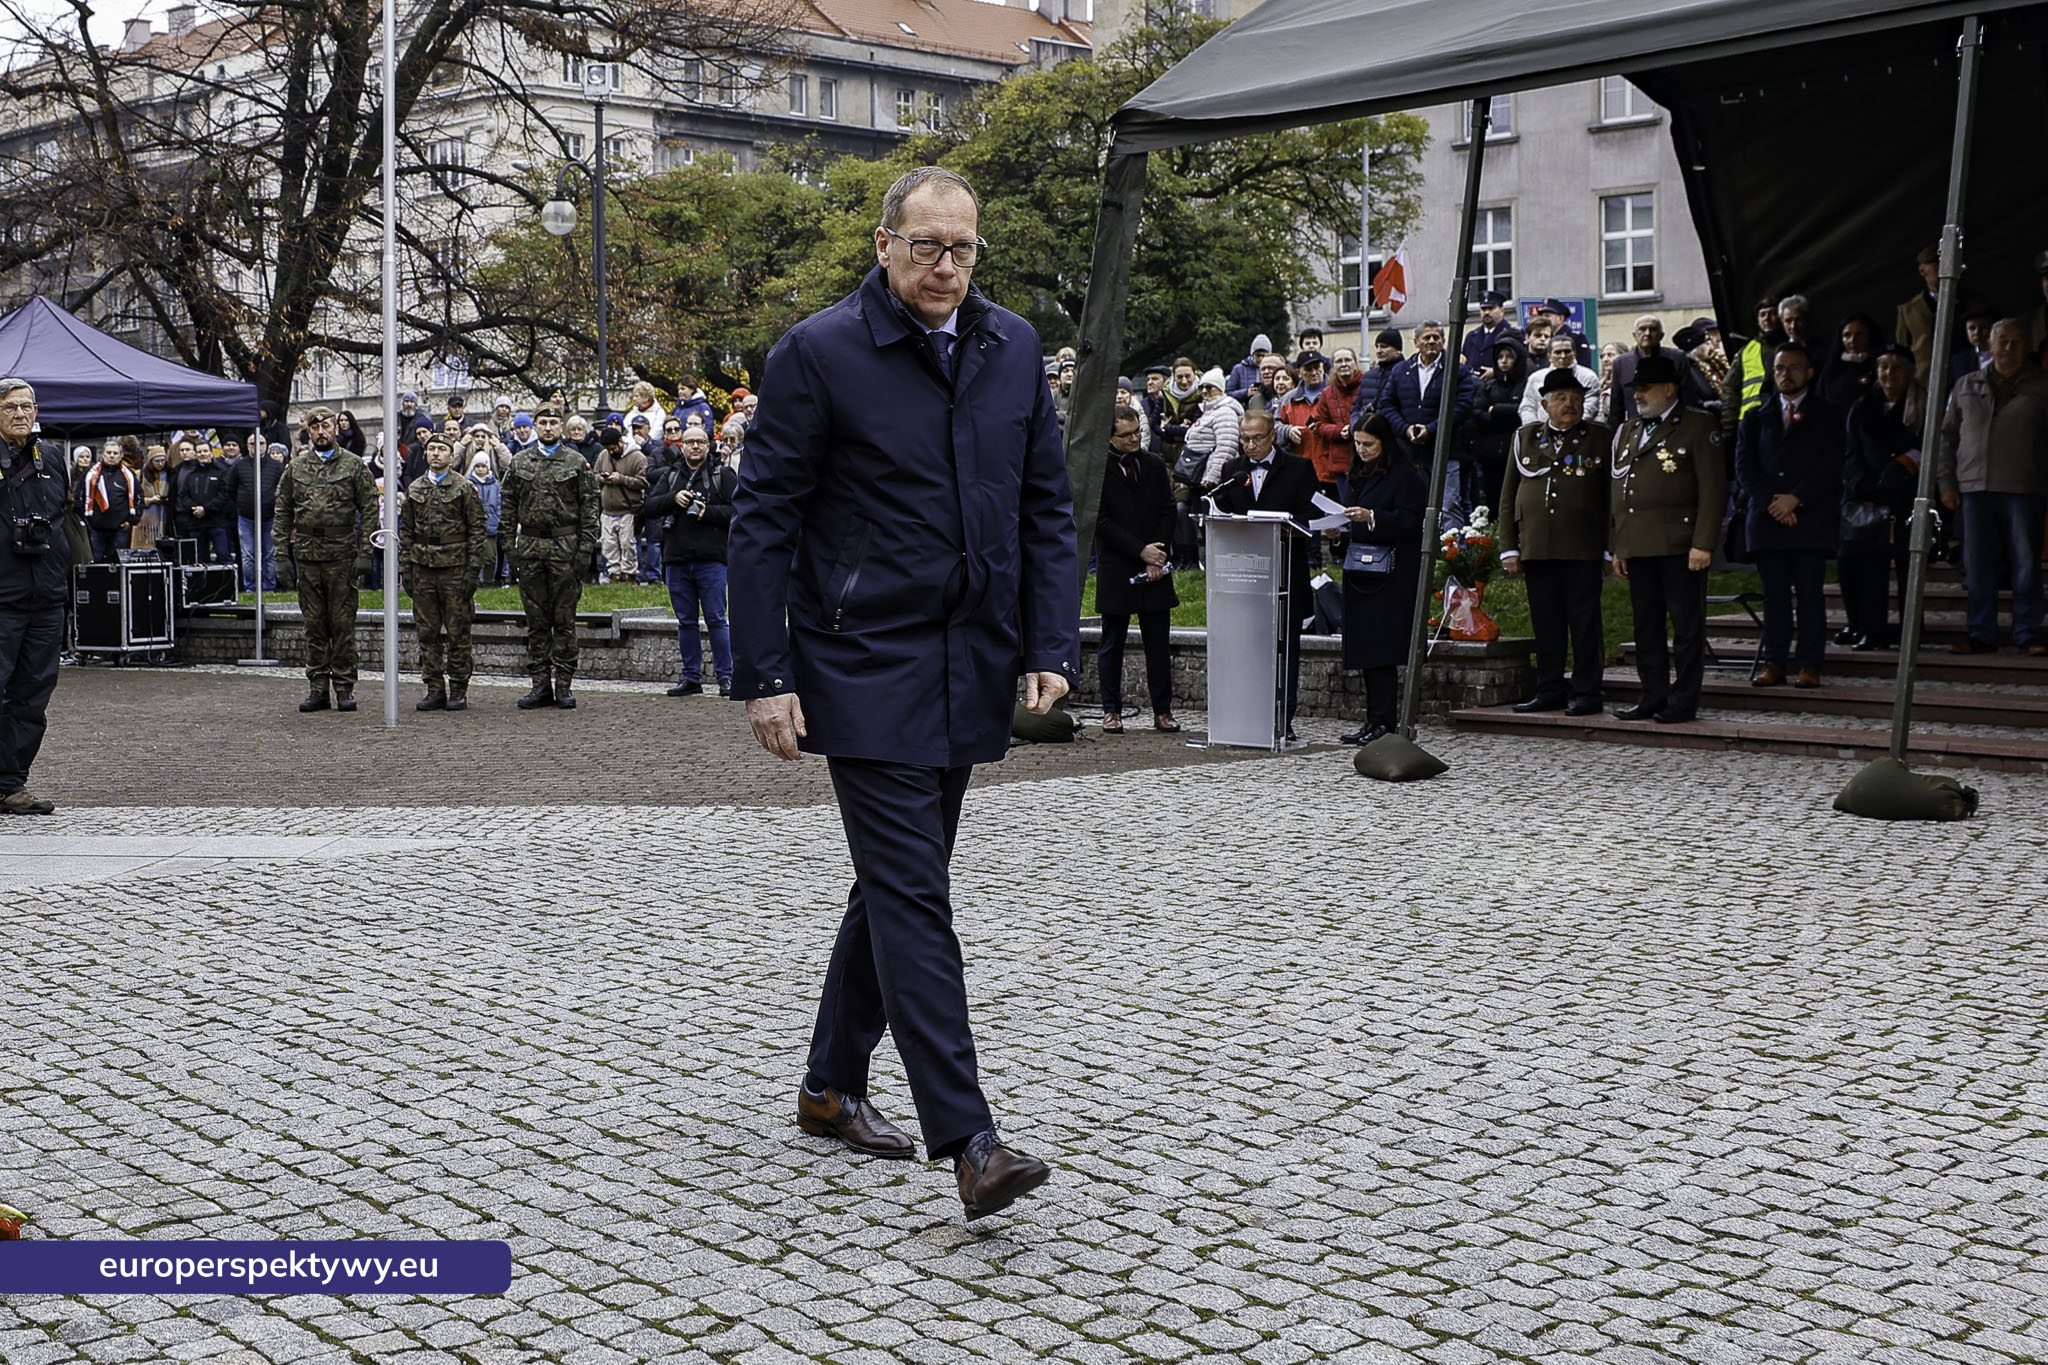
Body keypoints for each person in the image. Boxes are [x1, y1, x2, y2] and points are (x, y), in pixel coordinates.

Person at [728, 165, 1078, 1222]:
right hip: (859, 657)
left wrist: (1047, 640)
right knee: (916, 897)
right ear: (882, 245)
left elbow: (1043, 508)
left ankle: (829, 1085)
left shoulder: (1011, 348)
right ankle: (969, 1138)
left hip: (967, 656)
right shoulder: (817, 352)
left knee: (892, 884)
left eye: (961, 247)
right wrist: (763, 673)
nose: (943, 266)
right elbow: (763, 522)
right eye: (924, 245)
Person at [1610, 354, 1727, 723]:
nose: (1639, 395)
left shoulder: (1695, 426)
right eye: (1635, 389)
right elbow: (1620, 490)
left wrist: (1704, 542)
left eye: (1645, 388)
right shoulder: (1630, 430)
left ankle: (1684, 699)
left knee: (1686, 627)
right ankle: (1652, 693)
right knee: (1646, 626)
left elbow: (1712, 489)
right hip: (1640, 545)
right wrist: (1620, 545)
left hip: (1681, 544)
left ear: (1670, 389)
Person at [1499, 369, 1613, 715]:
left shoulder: (1599, 438)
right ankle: (1549, 688)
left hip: (1582, 546)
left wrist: (1610, 547)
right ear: (1545, 403)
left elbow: (1612, 497)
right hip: (1538, 546)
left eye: (1577, 398)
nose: (1570, 404)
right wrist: (1509, 546)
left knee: (1584, 623)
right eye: (1562, 398)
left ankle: (1588, 692)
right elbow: (1508, 495)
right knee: (1546, 623)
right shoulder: (1526, 438)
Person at [1936, 318, 2048, 655]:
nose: (2008, 348)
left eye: (2016, 341)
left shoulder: (2043, 386)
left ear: (2028, 346)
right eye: (2002, 341)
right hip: (1973, 488)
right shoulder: (1966, 384)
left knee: (2026, 563)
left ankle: (2028, 632)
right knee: (1977, 563)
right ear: (1989, 344)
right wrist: (1946, 483)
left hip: (2025, 487)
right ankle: (1981, 633)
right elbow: (1946, 438)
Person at [1736, 341, 1842, 688]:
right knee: (1775, 596)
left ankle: (1810, 663)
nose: (1785, 374)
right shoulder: (1756, 416)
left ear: (1809, 373)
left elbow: (1831, 463)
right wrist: (1772, 502)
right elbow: (1745, 466)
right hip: (1768, 520)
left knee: (1809, 595)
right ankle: (1775, 661)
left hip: (1808, 518)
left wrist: (1797, 499)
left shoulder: (1827, 414)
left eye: (1794, 368)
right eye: (1780, 368)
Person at [1211, 408, 1317, 740]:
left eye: (1257, 439)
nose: (1250, 446)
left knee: (1286, 650)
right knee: (1245, 646)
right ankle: (1245, 716)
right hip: (1244, 576)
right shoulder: (1233, 469)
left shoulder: (1298, 468)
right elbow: (1223, 511)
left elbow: (1311, 512)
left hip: (1286, 571)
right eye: (1245, 439)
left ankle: (1283, 720)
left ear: (1272, 437)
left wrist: (1279, 523)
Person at [272, 406, 378, 713]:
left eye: (327, 426)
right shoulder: (296, 468)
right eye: (315, 428)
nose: (321, 432)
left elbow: (370, 507)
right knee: (314, 625)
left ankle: (344, 687)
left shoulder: (354, 465)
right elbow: (282, 511)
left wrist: (365, 552)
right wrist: (281, 554)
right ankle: (318, 687)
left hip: (342, 555)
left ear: (336, 429)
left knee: (343, 625)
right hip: (307, 555)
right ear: (308, 431)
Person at [0, 378, 71, 815]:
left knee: (33, 696)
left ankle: (11, 784)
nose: (21, 414)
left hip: (46, 596)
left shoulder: (53, 457)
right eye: (10, 408)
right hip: (2, 597)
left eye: (27, 406)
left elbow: (62, 516)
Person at [1334, 413, 1426, 746]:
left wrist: (1372, 517)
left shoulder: (1406, 476)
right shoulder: (1359, 472)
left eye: (1368, 444)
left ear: (1384, 443)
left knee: (1382, 649)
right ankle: (1374, 719)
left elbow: (1411, 521)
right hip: (1363, 571)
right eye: (1357, 443)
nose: (1362, 450)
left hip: (1392, 573)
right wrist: (1338, 530)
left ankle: (1384, 720)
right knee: (1367, 649)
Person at [501, 405, 600, 708]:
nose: (548, 428)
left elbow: (589, 510)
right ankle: (540, 684)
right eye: (542, 422)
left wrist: (585, 551)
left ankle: (564, 685)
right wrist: (510, 549)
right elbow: (507, 509)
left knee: (565, 620)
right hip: (530, 548)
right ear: (534, 425)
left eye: (553, 422)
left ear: (562, 426)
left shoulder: (576, 462)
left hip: (565, 548)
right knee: (536, 621)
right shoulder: (519, 462)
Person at [1093, 406, 1179, 733]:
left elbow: (1168, 511)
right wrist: (1139, 550)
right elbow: (1101, 521)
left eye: (1136, 433)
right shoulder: (1099, 469)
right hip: (1118, 564)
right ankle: (1111, 709)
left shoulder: (1154, 464)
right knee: (1112, 641)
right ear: (1110, 437)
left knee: (1158, 642)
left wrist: (1157, 552)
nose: (1133, 439)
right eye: (1125, 435)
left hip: (1154, 561)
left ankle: (1163, 710)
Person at [1840, 345, 1923, 650]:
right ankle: (1870, 629)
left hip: (1907, 496)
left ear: (1911, 372)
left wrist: (1899, 468)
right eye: (1884, 367)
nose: (1889, 374)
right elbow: (1850, 448)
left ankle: (1911, 632)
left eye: (1897, 367)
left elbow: (1929, 443)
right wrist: (1860, 480)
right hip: (1866, 497)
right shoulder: (1862, 405)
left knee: (1907, 565)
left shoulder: (1922, 404)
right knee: (1868, 565)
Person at [399, 434, 488, 712]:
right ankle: (434, 687)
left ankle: (459, 687)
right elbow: (407, 532)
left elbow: (477, 530)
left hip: (455, 569)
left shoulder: (463, 488)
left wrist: (474, 569)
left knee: (458, 632)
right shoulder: (415, 489)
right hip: (424, 569)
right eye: (431, 449)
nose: (436, 454)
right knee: (427, 632)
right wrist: (405, 567)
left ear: (451, 455)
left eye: (442, 450)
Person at [645, 425, 736, 697]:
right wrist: (673, 499)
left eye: (700, 442)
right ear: (681, 446)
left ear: (709, 446)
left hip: (711, 559)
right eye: (689, 442)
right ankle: (691, 677)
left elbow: (738, 512)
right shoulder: (671, 475)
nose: (695, 446)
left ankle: (726, 678)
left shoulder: (723, 474)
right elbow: (649, 508)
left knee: (717, 620)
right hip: (677, 559)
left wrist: (707, 512)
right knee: (686, 622)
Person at [1376, 320, 1475, 526]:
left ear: (1443, 341)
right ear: (1416, 342)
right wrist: (1405, 429)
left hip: (1446, 451)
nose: (1431, 341)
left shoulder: (1456, 370)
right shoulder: (1401, 370)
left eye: (1436, 337)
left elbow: (1463, 406)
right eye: (1426, 337)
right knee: (1413, 504)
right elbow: (1385, 404)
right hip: (1409, 453)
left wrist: (1431, 430)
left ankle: (1450, 555)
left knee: (1449, 506)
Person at [1459, 335, 1530, 514]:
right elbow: (1477, 412)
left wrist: (1497, 410)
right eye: (1500, 357)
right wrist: (1502, 416)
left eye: (1509, 356)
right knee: (1493, 501)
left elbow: (1523, 412)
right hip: (1489, 454)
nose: (1504, 361)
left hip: (1516, 451)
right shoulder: (1488, 386)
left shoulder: (1526, 385)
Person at [1609, 316, 1706, 422]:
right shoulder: (1621, 363)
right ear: (1634, 335)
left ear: (1661, 335)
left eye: (1653, 329)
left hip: (1673, 427)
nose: (1647, 333)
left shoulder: (1677, 358)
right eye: (1642, 329)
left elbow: (1689, 399)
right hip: (1636, 430)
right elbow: (1616, 409)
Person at [1720, 295, 1787, 437]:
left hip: (1784, 419)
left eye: (1772, 314)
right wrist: (1729, 423)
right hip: (1751, 422)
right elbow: (1729, 387)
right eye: (1762, 315)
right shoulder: (1748, 350)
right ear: (1757, 320)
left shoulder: (1791, 347)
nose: (1767, 319)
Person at [593, 422, 648, 584]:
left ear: (620, 442)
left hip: (628, 510)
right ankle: (614, 576)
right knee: (609, 546)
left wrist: (621, 479)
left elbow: (643, 482)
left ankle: (630, 576)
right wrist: (602, 478)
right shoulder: (603, 455)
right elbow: (594, 474)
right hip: (608, 510)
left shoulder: (638, 457)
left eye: (613, 448)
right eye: (608, 449)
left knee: (628, 545)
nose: (611, 452)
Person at [231, 440, 286, 591]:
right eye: (252, 443)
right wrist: (240, 505)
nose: (257, 446)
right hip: (246, 517)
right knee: (248, 555)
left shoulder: (276, 466)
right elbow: (230, 488)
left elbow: (284, 490)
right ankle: (251, 588)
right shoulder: (239, 466)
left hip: (269, 517)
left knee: (269, 554)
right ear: (247, 446)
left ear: (266, 445)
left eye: (261, 443)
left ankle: (268, 587)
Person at [175, 439, 235, 565]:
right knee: (198, 560)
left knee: (223, 555)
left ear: (211, 453)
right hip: (196, 523)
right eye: (199, 452)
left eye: (205, 451)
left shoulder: (221, 473)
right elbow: (183, 496)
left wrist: (206, 509)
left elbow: (224, 496)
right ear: (196, 455)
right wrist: (194, 508)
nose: (202, 454)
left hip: (216, 522)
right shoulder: (190, 475)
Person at [79, 443, 142, 562]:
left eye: (115, 453)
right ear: (103, 454)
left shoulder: (129, 475)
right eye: (108, 453)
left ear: (121, 455)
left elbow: (139, 498)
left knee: (117, 565)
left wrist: (132, 520)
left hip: (120, 529)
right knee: (95, 564)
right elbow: (79, 497)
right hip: (96, 529)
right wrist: (86, 521)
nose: (112, 456)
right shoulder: (90, 474)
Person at [1520, 335, 1603, 425]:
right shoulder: (1535, 378)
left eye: (1567, 352)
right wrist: (1536, 430)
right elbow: (1527, 407)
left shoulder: (1589, 377)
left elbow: (1590, 407)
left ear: (1575, 354)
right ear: (1549, 356)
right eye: (1558, 352)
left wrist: (1568, 427)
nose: (1563, 356)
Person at [1186, 367, 1244, 488]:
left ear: (1220, 389)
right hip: (1198, 476)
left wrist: (1213, 476)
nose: (1204, 391)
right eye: (1202, 387)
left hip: (1210, 481)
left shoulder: (1225, 412)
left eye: (1209, 387)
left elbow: (1227, 447)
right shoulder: (1208, 410)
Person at [1895, 244, 1942, 382]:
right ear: (1922, 270)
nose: (1943, 270)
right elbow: (1902, 352)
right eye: (1936, 265)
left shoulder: (1969, 304)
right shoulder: (1908, 310)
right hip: (1922, 382)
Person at [1820, 314, 1882, 408]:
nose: (1852, 340)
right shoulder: (1831, 367)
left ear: (1870, 336)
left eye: (1860, 334)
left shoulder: (1880, 366)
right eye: (1847, 335)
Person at [1460, 290, 1523, 378]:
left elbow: (1520, 365)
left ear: (1502, 310)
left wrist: (1496, 372)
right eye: (1483, 309)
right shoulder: (1472, 336)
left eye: (1491, 308)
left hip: (1499, 385)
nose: (1486, 313)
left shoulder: (1512, 334)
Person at [466, 451, 505, 588]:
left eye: (483, 466)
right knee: (474, 556)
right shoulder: (469, 485)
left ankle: (489, 581)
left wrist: (498, 518)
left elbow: (500, 505)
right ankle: (475, 582)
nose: (481, 469)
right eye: (478, 466)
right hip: (474, 527)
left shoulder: (496, 485)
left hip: (491, 526)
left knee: (490, 557)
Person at [134, 446, 172, 550]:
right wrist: (150, 500)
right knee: (144, 548)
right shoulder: (140, 474)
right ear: (151, 461)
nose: (161, 464)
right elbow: (134, 497)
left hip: (164, 516)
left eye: (163, 461)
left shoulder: (169, 474)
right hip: (145, 520)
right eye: (157, 461)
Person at [1226, 333, 1273, 405]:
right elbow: (1228, 394)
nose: (1261, 358)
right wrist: (1246, 393)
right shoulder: (1238, 369)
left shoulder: (1273, 369)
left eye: (1264, 355)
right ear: (1252, 354)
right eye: (1258, 355)